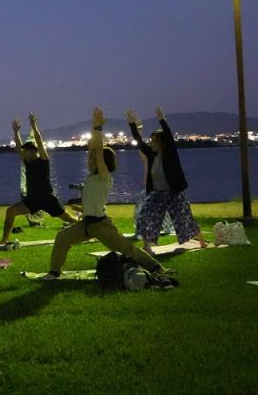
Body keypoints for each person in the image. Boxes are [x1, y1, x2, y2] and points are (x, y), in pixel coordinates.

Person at [42, 108, 165, 279]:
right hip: (86, 224)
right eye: (91, 159)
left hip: (101, 225)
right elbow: (93, 148)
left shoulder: (104, 176)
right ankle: (54, 271)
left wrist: (99, 129)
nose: (91, 160)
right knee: (62, 237)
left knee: (127, 249)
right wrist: (94, 126)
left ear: (104, 163)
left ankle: (154, 266)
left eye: (94, 160)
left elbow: (98, 152)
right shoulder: (93, 178)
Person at [125, 106, 207, 255]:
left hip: (173, 193)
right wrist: (132, 125)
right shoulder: (151, 155)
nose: (152, 143)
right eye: (151, 141)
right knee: (145, 216)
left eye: (155, 141)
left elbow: (169, 136)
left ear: (162, 143)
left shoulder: (170, 155)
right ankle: (147, 247)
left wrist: (162, 120)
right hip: (157, 194)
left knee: (184, 218)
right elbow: (139, 141)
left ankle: (201, 240)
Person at [0, 113, 80, 245]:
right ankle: (5, 239)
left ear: (32, 152)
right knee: (10, 211)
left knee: (69, 218)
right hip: (32, 200)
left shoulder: (43, 160)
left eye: (26, 151)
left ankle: (92, 230)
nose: (23, 153)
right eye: (24, 151)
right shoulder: (27, 162)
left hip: (48, 198)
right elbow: (18, 147)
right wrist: (16, 131)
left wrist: (34, 125)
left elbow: (39, 141)